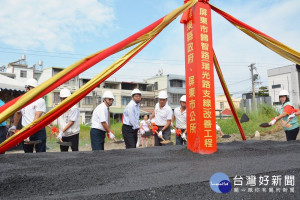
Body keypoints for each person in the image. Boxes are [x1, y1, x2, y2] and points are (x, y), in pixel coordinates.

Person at [8, 78, 47, 153]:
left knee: (41, 154)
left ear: (33, 88)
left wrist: (29, 133)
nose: (27, 90)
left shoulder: (40, 100)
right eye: (26, 88)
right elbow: (18, 113)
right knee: (27, 154)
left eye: (28, 88)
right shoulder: (23, 100)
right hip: (25, 129)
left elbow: (37, 116)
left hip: (37, 130)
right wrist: (14, 125)